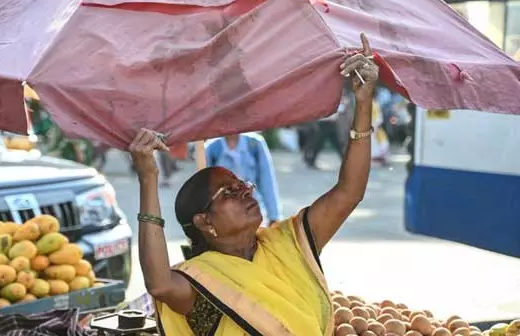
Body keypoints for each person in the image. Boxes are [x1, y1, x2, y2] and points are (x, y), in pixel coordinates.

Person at [130, 33, 379, 336]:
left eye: (244, 185)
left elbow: (349, 192)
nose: (247, 190)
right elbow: (159, 283)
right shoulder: (205, 282)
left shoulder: (288, 243)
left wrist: (363, 103)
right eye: (231, 192)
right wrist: (148, 178)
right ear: (205, 222)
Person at [204, 133, 281, 225]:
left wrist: (273, 216)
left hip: (250, 208)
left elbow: (267, 182)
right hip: (226, 214)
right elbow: (205, 187)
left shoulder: (254, 144)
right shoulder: (212, 148)